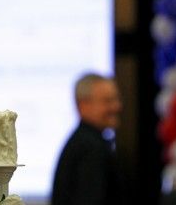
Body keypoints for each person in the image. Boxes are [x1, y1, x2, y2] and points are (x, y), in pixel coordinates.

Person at [51, 73, 124, 205]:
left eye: (116, 99)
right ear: (83, 106)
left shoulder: (82, 141)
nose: (117, 106)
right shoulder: (90, 149)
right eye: (108, 101)